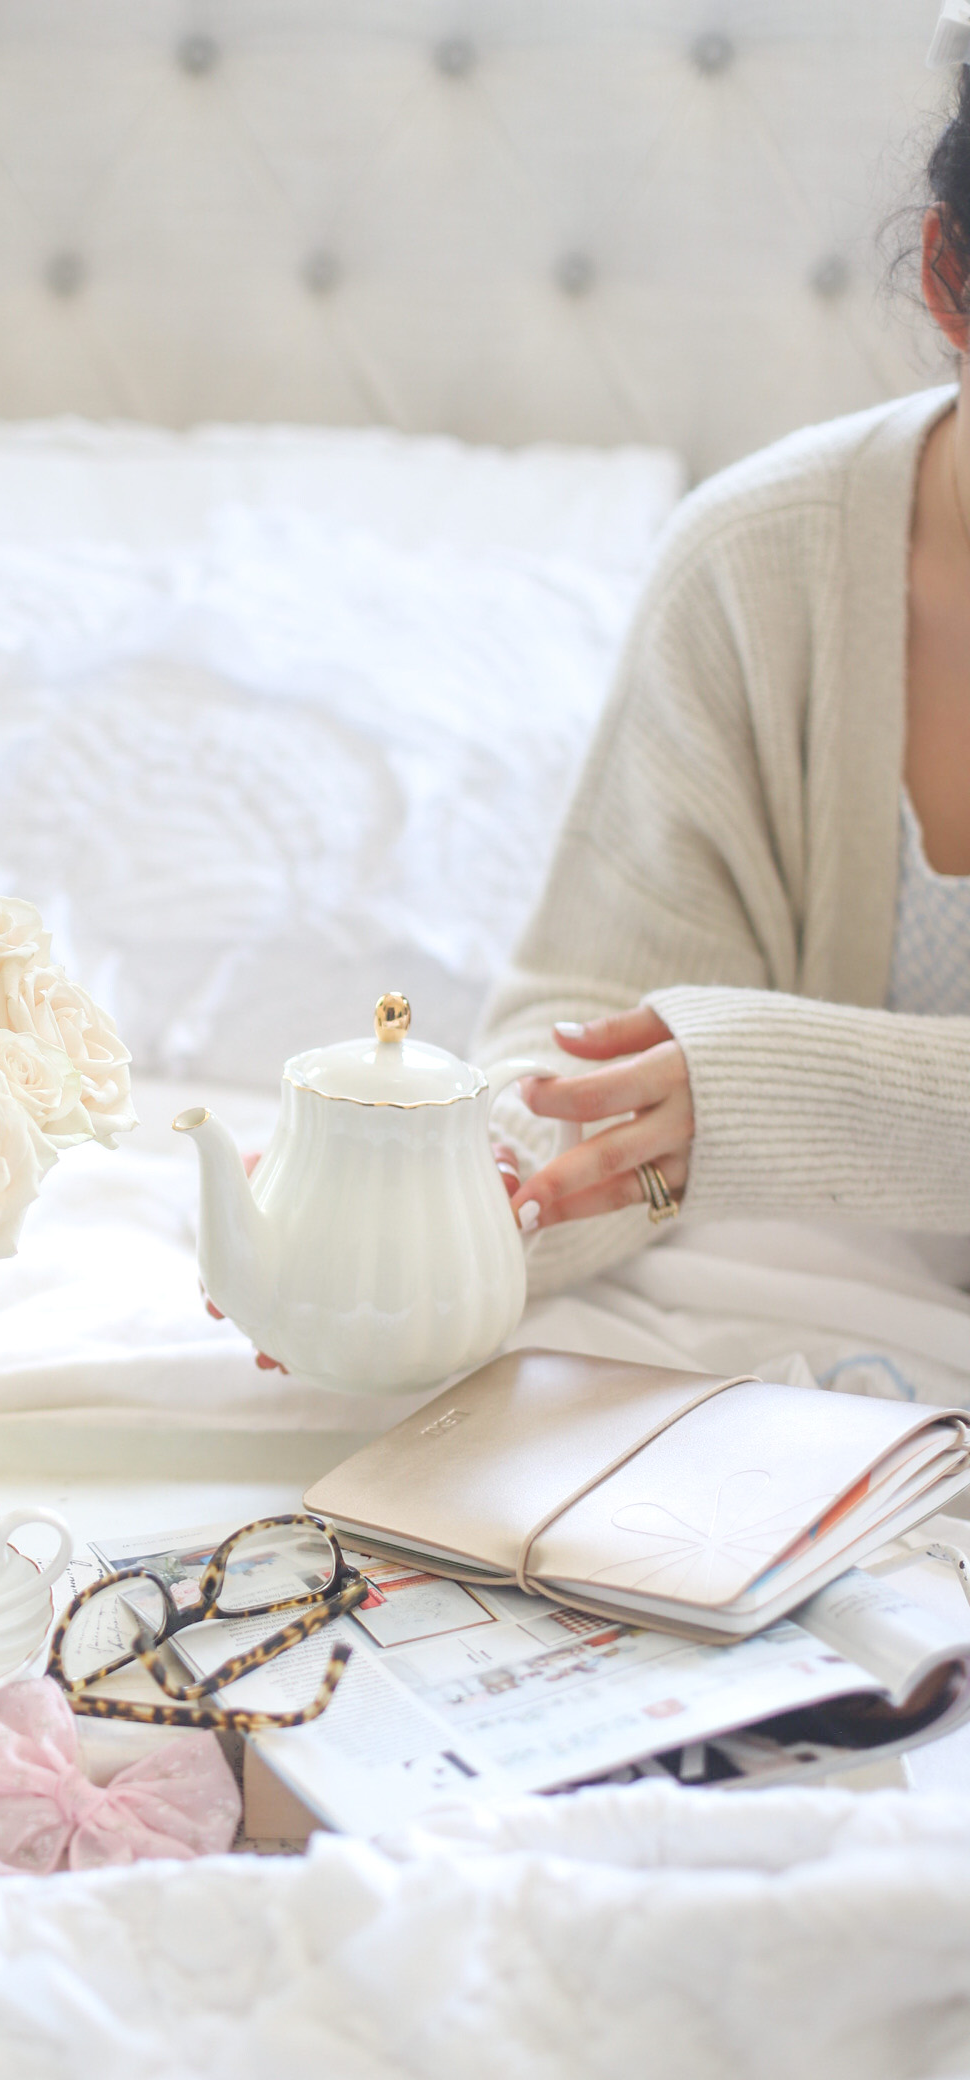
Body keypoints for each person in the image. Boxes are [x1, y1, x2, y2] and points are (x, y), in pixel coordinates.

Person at [474, 70, 970, 1299]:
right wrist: (470, 1192)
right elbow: (594, 1024)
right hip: (827, 1394)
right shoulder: (760, 560)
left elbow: (718, 1085)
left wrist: (770, 1094)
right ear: (946, 276)